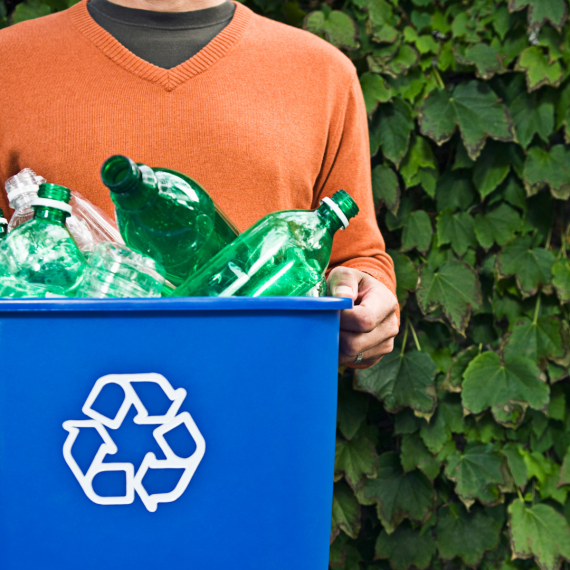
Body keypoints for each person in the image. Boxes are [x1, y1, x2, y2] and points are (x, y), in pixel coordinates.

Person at [0, 0, 398, 367]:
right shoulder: (10, 64)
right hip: (56, 411)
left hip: (262, 407)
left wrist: (368, 303)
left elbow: (356, 258)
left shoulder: (321, 73)